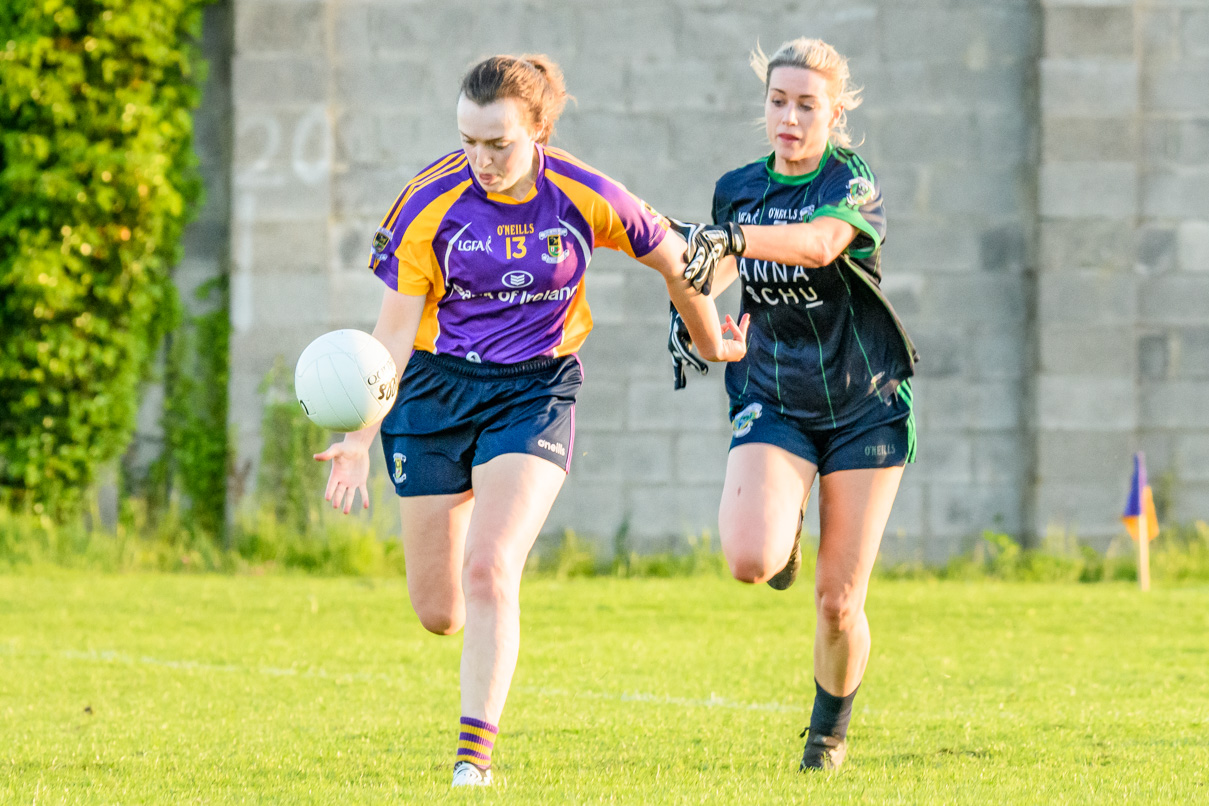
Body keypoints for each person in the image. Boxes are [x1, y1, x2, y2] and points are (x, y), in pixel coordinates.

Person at [314, 53, 747, 788]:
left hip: (535, 390)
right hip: (431, 392)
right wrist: (357, 439)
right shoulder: (429, 202)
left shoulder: (585, 195)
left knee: (491, 567)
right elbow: (391, 336)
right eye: (468, 142)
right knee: (440, 611)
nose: (480, 160)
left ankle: (471, 763)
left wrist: (711, 340)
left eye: (499, 144)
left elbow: (684, 262)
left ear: (538, 130)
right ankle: (459, 586)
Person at [670, 37, 919, 772]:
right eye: (777, 101)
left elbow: (816, 245)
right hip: (775, 393)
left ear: (834, 112)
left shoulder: (852, 179)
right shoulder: (735, 187)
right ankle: (783, 537)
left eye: (806, 105)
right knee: (750, 560)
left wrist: (735, 239)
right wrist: (699, 329)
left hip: (864, 399)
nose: (788, 117)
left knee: (838, 604)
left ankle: (827, 734)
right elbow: (700, 281)